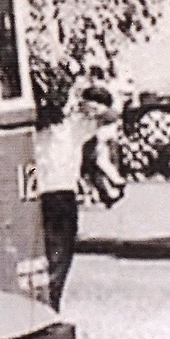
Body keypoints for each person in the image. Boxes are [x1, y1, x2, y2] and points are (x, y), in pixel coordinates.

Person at [34, 80, 120, 311]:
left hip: (37, 197)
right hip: (62, 196)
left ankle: (44, 303)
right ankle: (52, 304)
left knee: (42, 256)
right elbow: (112, 116)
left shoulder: (34, 132)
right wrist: (86, 106)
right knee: (60, 256)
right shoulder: (73, 127)